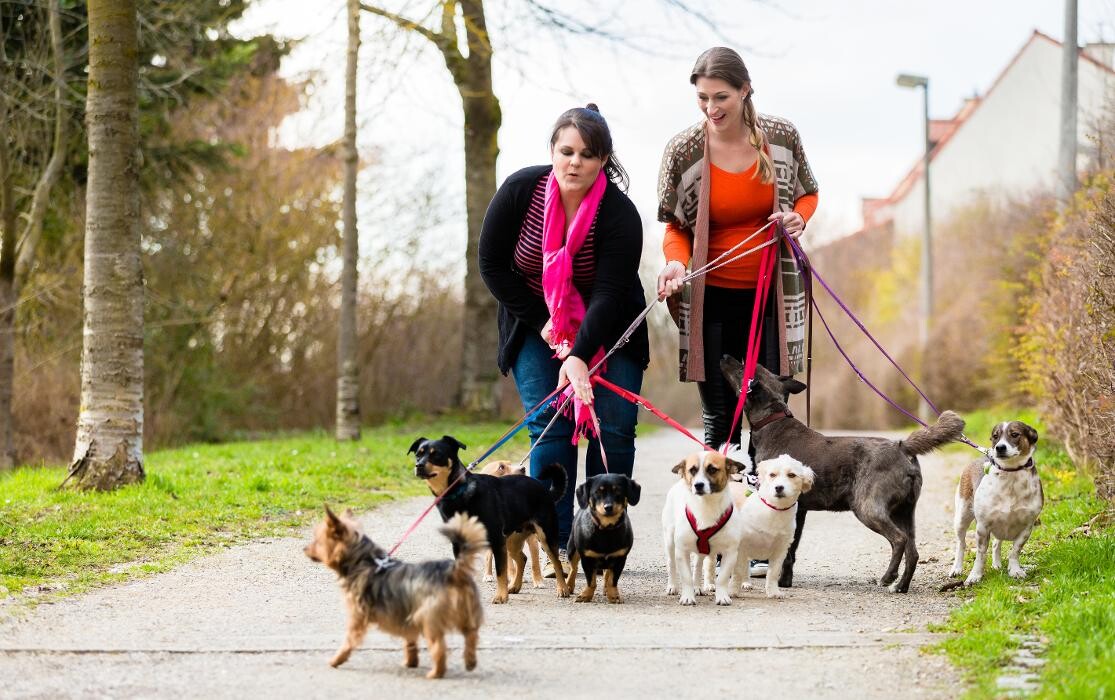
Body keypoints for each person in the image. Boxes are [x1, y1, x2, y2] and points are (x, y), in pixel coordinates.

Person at [656, 48, 819, 579]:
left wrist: (795, 216)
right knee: (719, 413)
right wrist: (676, 266)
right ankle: (713, 535)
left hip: (772, 293)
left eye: (720, 97)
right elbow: (674, 228)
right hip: (710, 295)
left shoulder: (782, 137)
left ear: (745, 89)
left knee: (769, 417)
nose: (711, 108)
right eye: (702, 98)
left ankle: (765, 543)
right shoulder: (684, 149)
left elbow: (810, 194)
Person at [479, 104, 649, 575]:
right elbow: (492, 266)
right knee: (549, 429)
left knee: (611, 430)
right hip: (534, 320)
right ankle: (556, 545)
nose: (575, 162)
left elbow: (611, 292)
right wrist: (546, 325)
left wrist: (577, 356)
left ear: (604, 159)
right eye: (566, 151)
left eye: (587, 154)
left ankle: (603, 546)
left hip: (610, 326)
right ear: (552, 151)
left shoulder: (618, 214)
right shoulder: (520, 190)